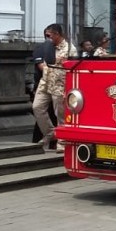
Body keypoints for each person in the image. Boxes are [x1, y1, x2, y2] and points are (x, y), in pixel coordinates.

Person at [32, 24, 76, 152]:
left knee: (60, 114)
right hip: (45, 82)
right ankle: (51, 133)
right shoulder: (46, 47)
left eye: (49, 35)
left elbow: (71, 69)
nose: (47, 38)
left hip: (60, 84)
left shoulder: (69, 49)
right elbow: (40, 62)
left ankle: (62, 141)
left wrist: (68, 89)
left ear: (57, 34)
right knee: (37, 107)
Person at [30, 27, 56, 145]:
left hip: (58, 86)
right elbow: (42, 67)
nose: (50, 38)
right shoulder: (41, 49)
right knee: (41, 111)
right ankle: (40, 138)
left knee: (55, 114)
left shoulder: (63, 48)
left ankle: (54, 140)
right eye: (48, 35)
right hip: (44, 84)